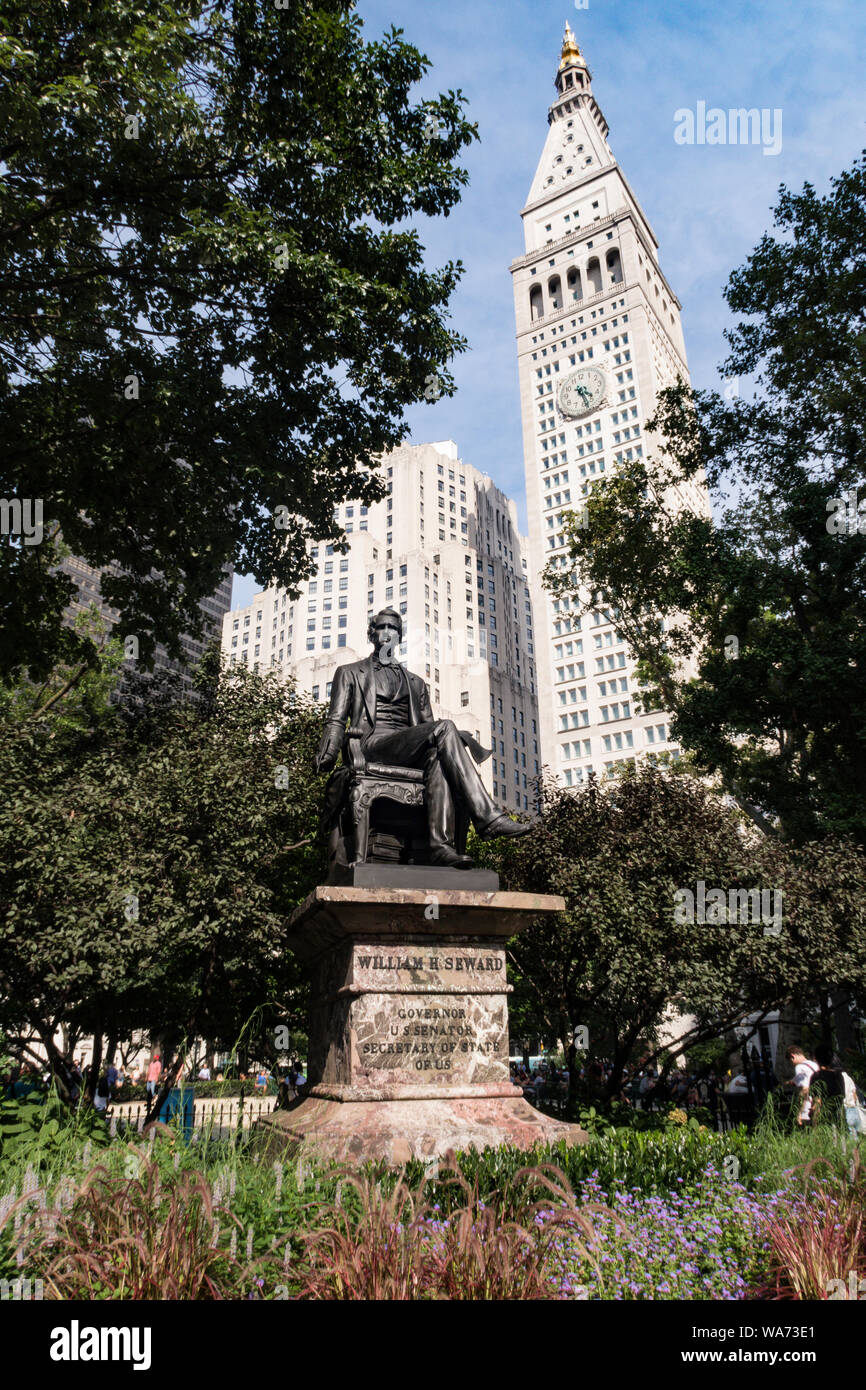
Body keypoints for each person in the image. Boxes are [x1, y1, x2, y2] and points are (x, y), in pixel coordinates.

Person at [314, 609, 533, 869]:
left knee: (439, 760)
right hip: (372, 744)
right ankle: (489, 818)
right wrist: (327, 753)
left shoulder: (415, 683)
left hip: (406, 746)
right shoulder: (350, 672)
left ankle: (440, 847)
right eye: (382, 627)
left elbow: (429, 728)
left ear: (400, 637)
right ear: (372, 634)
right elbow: (336, 719)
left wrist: (449, 737)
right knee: (446, 728)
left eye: (393, 628)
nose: (387, 632)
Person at [808, 1044, 846, 1128]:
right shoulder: (839, 1075)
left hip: (825, 1120)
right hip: (840, 1117)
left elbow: (817, 1102)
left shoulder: (817, 1076)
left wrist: (814, 1126)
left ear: (816, 1059)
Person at [785, 1046, 818, 1126]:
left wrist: (800, 1112)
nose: (792, 1064)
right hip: (818, 1104)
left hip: (808, 1108)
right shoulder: (814, 1064)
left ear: (793, 1056)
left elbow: (805, 1089)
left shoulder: (799, 1067)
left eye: (790, 1061)